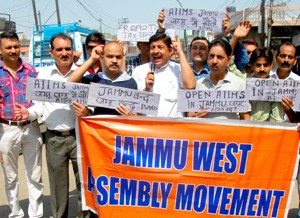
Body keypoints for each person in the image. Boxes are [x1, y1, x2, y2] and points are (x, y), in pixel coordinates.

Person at [0, 31, 43, 218]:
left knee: (35, 175)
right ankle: (15, 213)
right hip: (6, 129)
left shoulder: (31, 71)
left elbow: (39, 101)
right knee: (10, 177)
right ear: (0, 50)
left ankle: (36, 214)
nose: (13, 50)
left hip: (31, 127)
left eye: (16, 46)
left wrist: (29, 113)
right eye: (8, 47)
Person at [132, 32, 195, 117]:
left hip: (173, 127)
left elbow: (190, 86)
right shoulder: (139, 71)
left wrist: (180, 52)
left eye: (160, 47)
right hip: (147, 127)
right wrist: (146, 90)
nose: (156, 51)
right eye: (152, 48)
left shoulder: (179, 69)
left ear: (170, 51)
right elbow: (134, 107)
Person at [68, 41, 138, 116]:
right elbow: (70, 83)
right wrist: (92, 59)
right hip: (96, 127)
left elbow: (135, 112)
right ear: (102, 57)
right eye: (110, 56)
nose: (114, 61)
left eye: (118, 57)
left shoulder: (131, 82)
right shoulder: (94, 79)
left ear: (123, 58)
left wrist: (130, 115)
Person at [187, 37, 250, 120]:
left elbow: (245, 116)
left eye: (219, 57)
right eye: (211, 56)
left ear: (228, 60)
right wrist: (195, 116)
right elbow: (191, 113)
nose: (214, 61)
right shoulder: (199, 83)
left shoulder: (239, 84)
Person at [156, 9, 210, 80]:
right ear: (190, 51)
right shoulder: (179, 71)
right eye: (194, 48)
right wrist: (161, 30)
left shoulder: (216, 72)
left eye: (202, 48)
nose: (198, 51)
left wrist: (226, 34)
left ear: (209, 52)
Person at [249, 48, 284, 122]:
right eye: (258, 65)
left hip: (266, 130)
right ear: (252, 66)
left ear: (271, 66)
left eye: (265, 65)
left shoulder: (276, 87)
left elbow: (277, 119)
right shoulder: (245, 84)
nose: (262, 69)